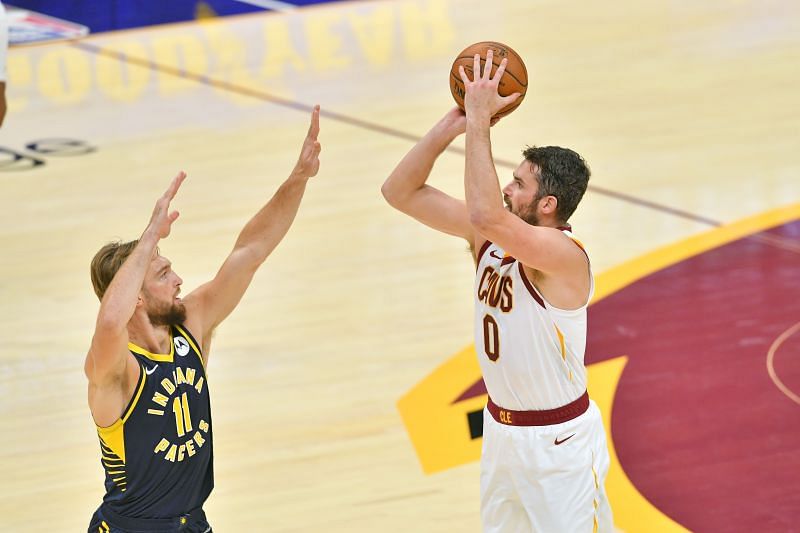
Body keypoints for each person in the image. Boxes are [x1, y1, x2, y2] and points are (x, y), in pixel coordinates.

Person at [382, 52, 613, 532]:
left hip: (560, 446)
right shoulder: (489, 240)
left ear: (548, 205)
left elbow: (486, 213)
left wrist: (483, 121)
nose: (507, 189)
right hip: (503, 434)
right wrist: (457, 121)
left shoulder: (563, 256)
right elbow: (399, 191)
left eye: (519, 184)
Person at [85, 106, 321, 533]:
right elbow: (107, 325)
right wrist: (149, 239)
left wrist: (299, 177)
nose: (178, 279)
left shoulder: (189, 325)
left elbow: (250, 252)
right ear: (135, 296)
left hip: (191, 524)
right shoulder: (117, 370)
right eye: (162, 273)